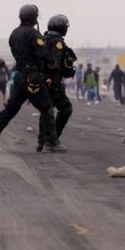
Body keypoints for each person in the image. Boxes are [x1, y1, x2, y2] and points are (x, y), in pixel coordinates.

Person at [0, 4, 64, 153]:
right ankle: (52, 143)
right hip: (33, 77)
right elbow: (43, 54)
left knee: (9, 111)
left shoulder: (14, 34)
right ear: (34, 18)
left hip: (19, 78)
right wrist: (53, 60)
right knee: (47, 109)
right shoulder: (34, 34)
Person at [40, 14, 76, 152]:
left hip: (40, 80)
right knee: (66, 109)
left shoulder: (42, 39)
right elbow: (54, 62)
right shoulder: (57, 42)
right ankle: (51, 142)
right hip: (52, 82)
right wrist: (52, 79)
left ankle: (43, 142)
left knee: (47, 111)